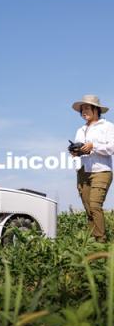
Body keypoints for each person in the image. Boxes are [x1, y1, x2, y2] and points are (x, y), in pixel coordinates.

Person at [71, 95, 114, 242]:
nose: (84, 111)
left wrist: (93, 146)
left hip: (101, 171)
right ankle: (91, 244)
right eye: (82, 109)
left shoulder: (107, 126)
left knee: (95, 205)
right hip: (83, 171)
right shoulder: (80, 130)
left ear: (96, 110)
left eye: (87, 108)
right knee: (89, 209)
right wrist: (75, 152)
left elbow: (111, 148)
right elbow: (80, 151)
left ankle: (101, 242)